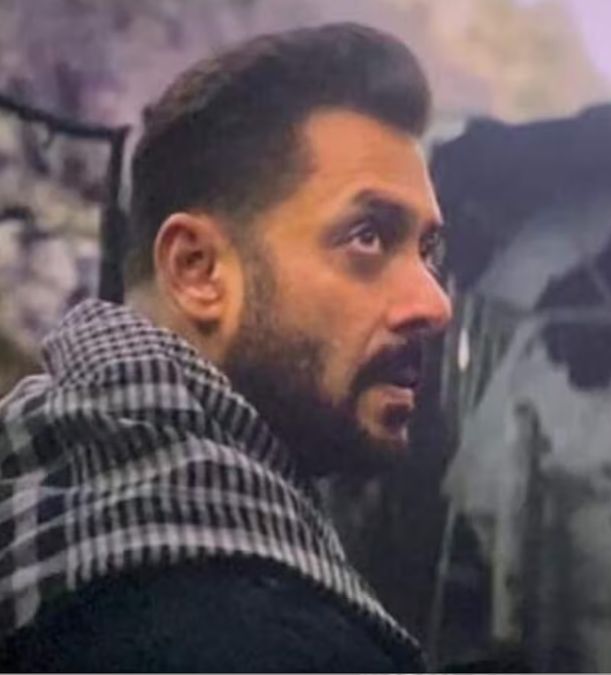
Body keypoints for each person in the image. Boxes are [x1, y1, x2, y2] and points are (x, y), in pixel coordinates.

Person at [0, 23, 450, 671]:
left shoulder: (43, 516)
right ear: (198, 269)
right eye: (368, 236)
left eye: (427, 251)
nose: (434, 303)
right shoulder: (259, 643)